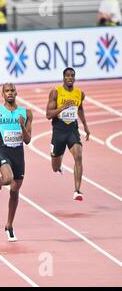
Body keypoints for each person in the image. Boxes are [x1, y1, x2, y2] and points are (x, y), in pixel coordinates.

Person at [0, 83, 33, 242]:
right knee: (7, 178)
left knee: (14, 191)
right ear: (2, 94)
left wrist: (22, 126)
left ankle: (9, 226)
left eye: (12, 91)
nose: (10, 93)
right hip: (4, 150)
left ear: (16, 93)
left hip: (18, 154)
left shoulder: (26, 113)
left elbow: (28, 141)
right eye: (7, 91)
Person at [46, 67, 90, 201]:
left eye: (72, 76)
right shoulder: (56, 92)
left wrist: (86, 127)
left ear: (74, 78)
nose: (70, 78)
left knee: (78, 155)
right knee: (54, 167)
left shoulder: (79, 94)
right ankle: (59, 167)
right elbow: (48, 115)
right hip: (58, 131)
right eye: (67, 76)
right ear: (63, 78)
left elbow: (80, 109)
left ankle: (77, 191)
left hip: (72, 130)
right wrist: (63, 107)